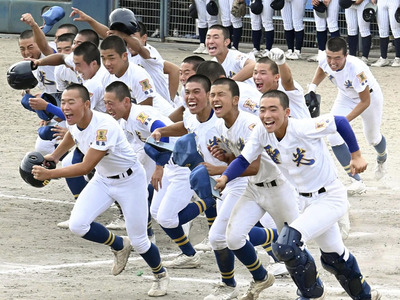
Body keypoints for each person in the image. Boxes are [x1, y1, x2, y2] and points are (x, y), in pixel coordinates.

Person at [216, 89, 381, 300]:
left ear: (287, 112)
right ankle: (366, 295)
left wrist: (356, 155)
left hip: (329, 197)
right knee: (334, 257)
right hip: (304, 200)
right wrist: (225, 177)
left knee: (287, 246)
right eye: (263, 110)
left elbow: (339, 121)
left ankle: (310, 294)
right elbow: (244, 160)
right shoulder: (261, 132)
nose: (267, 115)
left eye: (273, 110)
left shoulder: (302, 127)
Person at [31, 83, 170, 297]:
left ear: (86, 104)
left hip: (130, 182)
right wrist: (55, 156)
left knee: (141, 241)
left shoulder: (104, 126)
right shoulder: (76, 121)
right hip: (103, 180)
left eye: (71, 102)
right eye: (63, 102)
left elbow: (85, 167)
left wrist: (50, 174)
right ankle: (119, 244)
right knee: (78, 225)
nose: (65, 107)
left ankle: (160, 275)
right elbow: (73, 135)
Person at [209, 78, 300, 300]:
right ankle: (261, 278)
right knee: (233, 238)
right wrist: (228, 158)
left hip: (277, 189)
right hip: (252, 189)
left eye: (220, 94)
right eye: (212, 95)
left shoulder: (251, 125)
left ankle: (309, 289)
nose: (214, 99)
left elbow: (255, 165)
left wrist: (224, 175)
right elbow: (241, 158)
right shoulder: (221, 125)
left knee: (294, 245)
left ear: (235, 100)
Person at [309, 37, 387, 195]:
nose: (332, 62)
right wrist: (312, 88)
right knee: (333, 136)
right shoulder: (325, 59)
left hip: (369, 98)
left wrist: (344, 121)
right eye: (329, 57)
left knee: (373, 138)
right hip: (345, 96)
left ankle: (382, 158)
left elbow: (365, 101)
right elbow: (322, 68)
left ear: (346, 55)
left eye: (337, 58)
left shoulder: (356, 69)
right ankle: (356, 181)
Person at [103, 80, 172, 240]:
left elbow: (163, 130)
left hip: (174, 155)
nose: (108, 108)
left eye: (111, 103)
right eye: (105, 103)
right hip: (157, 152)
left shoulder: (139, 116)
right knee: (137, 186)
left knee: (160, 207)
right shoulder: (123, 121)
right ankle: (147, 235)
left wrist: (159, 167)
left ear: (126, 101)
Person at [100, 35, 175, 116]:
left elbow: (147, 111)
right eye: (103, 58)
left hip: (161, 120)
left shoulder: (138, 76)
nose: (107, 63)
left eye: (111, 58)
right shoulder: (105, 77)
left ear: (124, 56)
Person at [253, 48, 311, 119]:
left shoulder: (285, 88)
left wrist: (281, 62)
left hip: (300, 128)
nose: (257, 77)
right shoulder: (253, 91)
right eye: (255, 73)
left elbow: (288, 81)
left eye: (263, 73)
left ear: (276, 77)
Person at [340, 0, 372, 65]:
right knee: (351, 29)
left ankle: (365, 57)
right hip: (349, 3)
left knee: (364, 30)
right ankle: (352, 56)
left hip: (363, 2)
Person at [370, 0, 400, 67]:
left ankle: (398, 58)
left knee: (396, 30)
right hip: (381, 2)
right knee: (382, 30)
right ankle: (383, 58)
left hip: (394, 1)